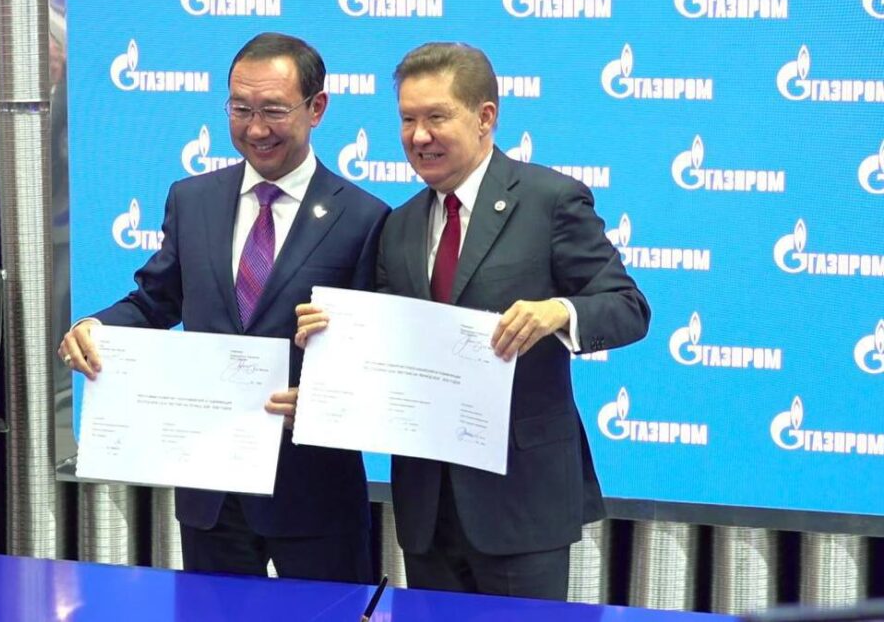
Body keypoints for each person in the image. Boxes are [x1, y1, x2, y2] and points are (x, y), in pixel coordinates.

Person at [296, 42, 650, 600]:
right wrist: (330, 358)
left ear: (485, 117)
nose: (419, 136)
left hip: (521, 500)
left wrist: (559, 311)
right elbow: (389, 349)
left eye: (436, 117)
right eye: (407, 120)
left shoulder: (550, 200)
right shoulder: (399, 225)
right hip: (426, 505)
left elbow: (628, 307)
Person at [59, 32, 389, 583]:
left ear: (317, 108)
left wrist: (329, 400)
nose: (255, 129)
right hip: (210, 491)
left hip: (314, 493)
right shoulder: (192, 199)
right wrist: (95, 327)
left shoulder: (363, 217)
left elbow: (376, 355)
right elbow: (155, 300)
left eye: (274, 110)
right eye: (240, 109)